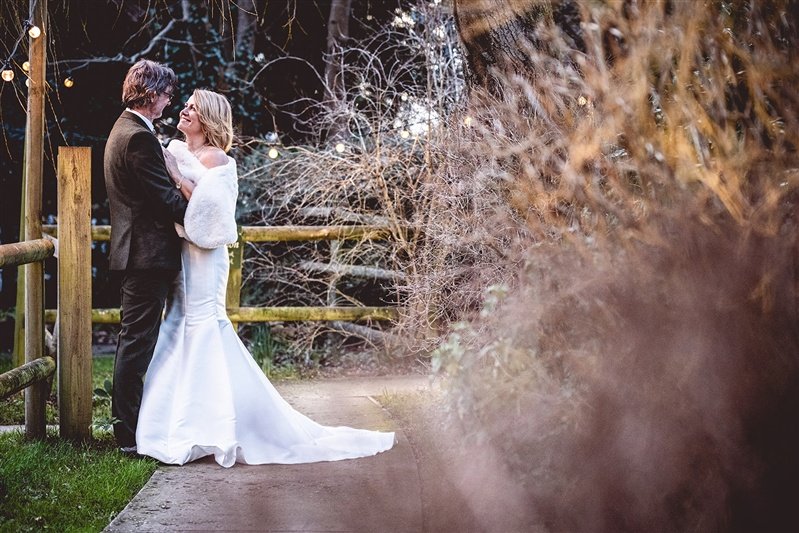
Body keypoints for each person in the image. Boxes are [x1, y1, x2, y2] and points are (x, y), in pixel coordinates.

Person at [135, 89, 395, 467]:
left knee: (204, 324)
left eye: (192, 107)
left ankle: (220, 425)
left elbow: (212, 212)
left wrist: (176, 177)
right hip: (180, 254)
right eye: (185, 105)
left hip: (207, 255)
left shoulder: (218, 160)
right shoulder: (174, 150)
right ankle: (171, 426)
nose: (184, 110)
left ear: (208, 117)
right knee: (177, 323)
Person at [104, 60, 189, 452]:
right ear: (152, 93)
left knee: (136, 341)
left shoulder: (125, 129)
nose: (170, 102)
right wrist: (201, 201)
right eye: (168, 95)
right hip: (145, 254)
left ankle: (134, 428)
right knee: (137, 343)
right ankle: (128, 436)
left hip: (139, 253)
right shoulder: (137, 137)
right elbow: (166, 200)